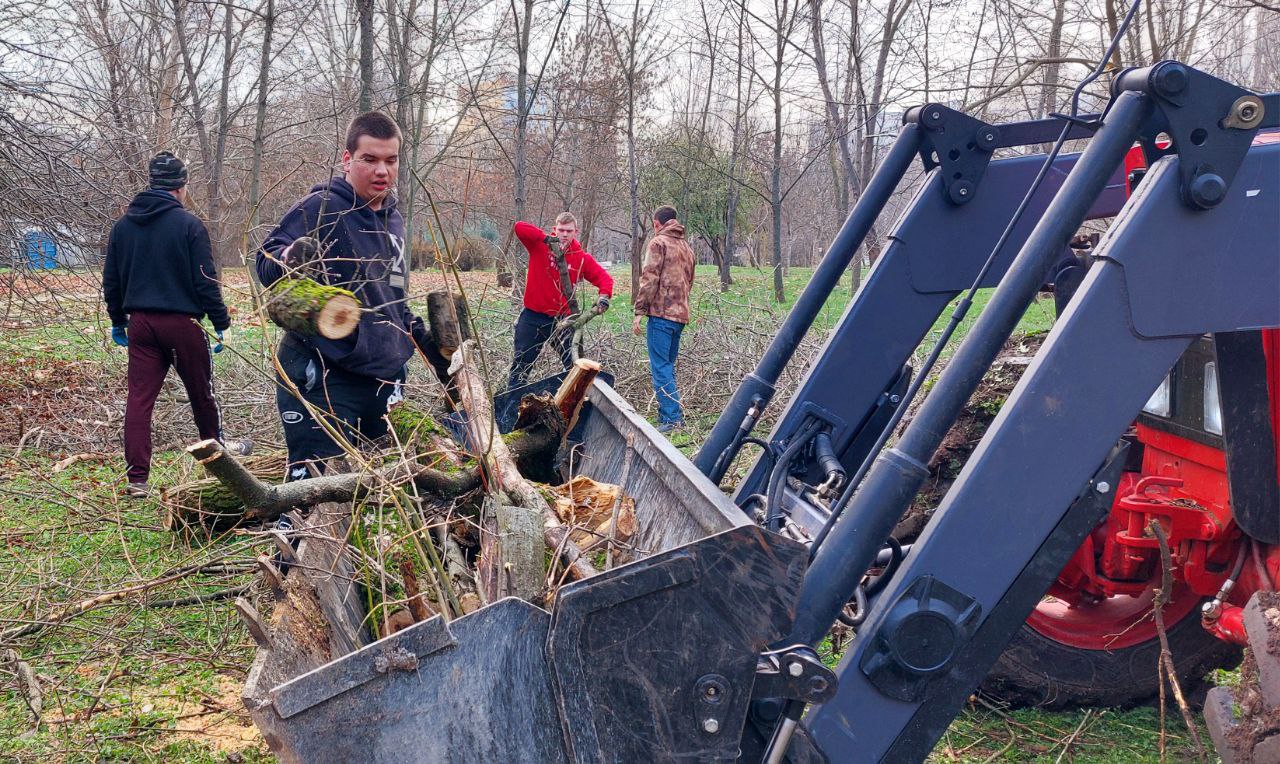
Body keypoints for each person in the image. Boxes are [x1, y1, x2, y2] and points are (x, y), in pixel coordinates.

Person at [257, 111, 429, 481]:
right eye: (370, 159)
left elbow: (392, 296)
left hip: (383, 376)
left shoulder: (395, 221)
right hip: (323, 372)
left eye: (391, 160)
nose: (381, 170)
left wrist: (419, 338)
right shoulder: (322, 207)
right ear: (348, 159)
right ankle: (292, 532)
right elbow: (266, 261)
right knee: (317, 492)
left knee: (379, 491)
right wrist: (292, 258)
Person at [103, 151, 251, 498]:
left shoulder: (123, 227)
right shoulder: (189, 225)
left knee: (139, 400)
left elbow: (112, 280)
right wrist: (221, 322)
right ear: (181, 187)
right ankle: (221, 460)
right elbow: (205, 280)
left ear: (152, 184)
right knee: (201, 395)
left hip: (141, 324)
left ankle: (137, 480)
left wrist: (117, 321)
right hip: (183, 324)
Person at [507, 212, 613, 390]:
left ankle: (573, 400)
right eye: (561, 230)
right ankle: (511, 403)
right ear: (555, 229)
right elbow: (519, 227)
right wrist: (545, 238)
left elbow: (604, 279)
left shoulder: (580, 257)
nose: (564, 234)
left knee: (574, 364)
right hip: (533, 316)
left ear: (575, 232)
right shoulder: (539, 247)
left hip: (563, 319)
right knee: (521, 364)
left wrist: (604, 296)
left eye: (569, 231)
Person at [632, 205, 696, 433]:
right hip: (680, 316)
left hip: (660, 315)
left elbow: (649, 278)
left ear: (656, 223)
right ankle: (671, 413)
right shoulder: (686, 246)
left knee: (661, 368)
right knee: (667, 366)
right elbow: (690, 280)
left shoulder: (658, 243)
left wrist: (640, 311)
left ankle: (671, 419)